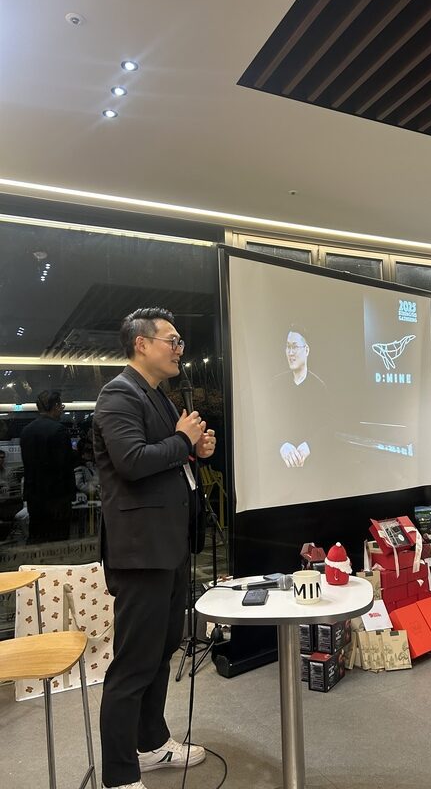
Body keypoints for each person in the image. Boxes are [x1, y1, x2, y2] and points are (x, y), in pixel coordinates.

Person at [93, 307, 216, 789]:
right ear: (141, 344)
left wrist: (195, 448)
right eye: (172, 340)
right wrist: (183, 441)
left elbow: (169, 458)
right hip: (141, 551)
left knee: (161, 651)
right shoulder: (118, 394)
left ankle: (151, 743)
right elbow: (132, 461)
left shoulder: (158, 395)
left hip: (170, 546)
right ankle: (119, 775)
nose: (179, 349)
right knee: (133, 664)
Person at [19, 391, 76, 542]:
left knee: (38, 539)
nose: (62, 409)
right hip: (57, 499)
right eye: (61, 405)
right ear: (56, 406)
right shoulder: (59, 430)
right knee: (58, 542)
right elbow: (64, 466)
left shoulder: (26, 431)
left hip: (34, 499)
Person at [274, 327, 326, 468]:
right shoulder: (275, 385)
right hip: (279, 467)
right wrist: (281, 445)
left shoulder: (319, 388)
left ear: (306, 350)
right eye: (288, 347)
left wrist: (309, 446)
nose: (290, 353)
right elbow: (267, 425)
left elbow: (327, 427)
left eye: (295, 347)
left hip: (311, 467)